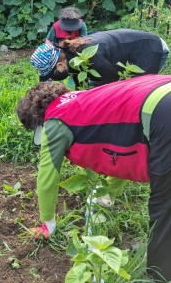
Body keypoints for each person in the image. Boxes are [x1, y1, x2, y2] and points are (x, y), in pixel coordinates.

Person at [16, 75, 171, 281]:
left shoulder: (55, 120)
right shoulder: (84, 101)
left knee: (164, 205)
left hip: (163, 115)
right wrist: (108, 195)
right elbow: (123, 153)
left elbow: (47, 175)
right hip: (163, 91)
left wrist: (48, 224)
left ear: (37, 122)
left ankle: (159, 276)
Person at [31, 29, 169, 87]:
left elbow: (115, 84)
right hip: (135, 47)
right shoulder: (72, 56)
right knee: (94, 86)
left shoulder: (89, 57)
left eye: (53, 75)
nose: (56, 78)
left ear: (59, 66)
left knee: (139, 88)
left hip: (150, 49)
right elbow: (81, 86)